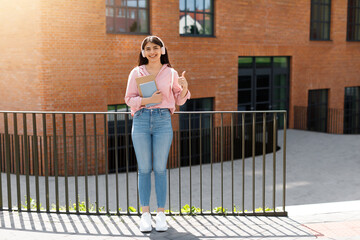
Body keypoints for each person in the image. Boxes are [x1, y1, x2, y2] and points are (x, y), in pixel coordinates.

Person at [124, 36, 190, 232]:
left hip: (162, 121)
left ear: (162, 50)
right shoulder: (136, 72)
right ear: (143, 52)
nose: (151, 52)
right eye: (147, 49)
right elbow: (128, 99)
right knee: (144, 169)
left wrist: (184, 86)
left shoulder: (170, 73)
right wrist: (147, 100)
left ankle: (161, 214)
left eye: (155, 48)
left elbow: (179, 100)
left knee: (160, 169)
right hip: (141, 120)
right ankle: (145, 214)